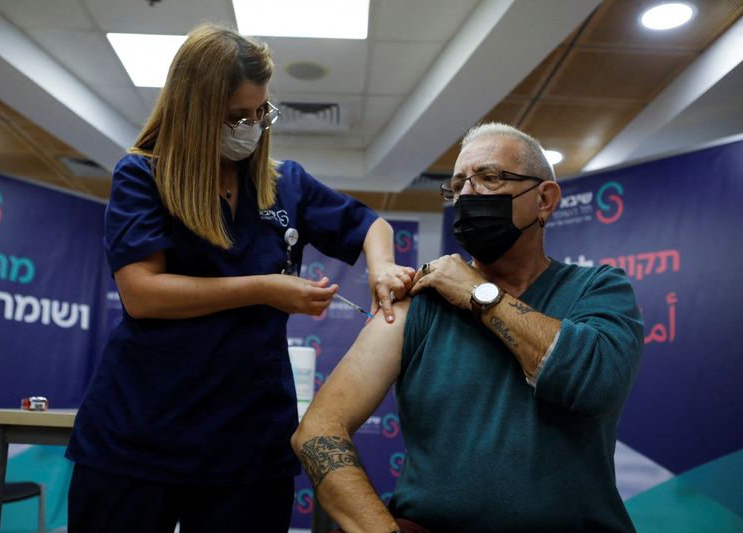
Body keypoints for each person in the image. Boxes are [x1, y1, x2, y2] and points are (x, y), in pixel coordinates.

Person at [65, 23, 415, 533]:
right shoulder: (142, 176)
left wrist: (381, 266)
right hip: (142, 432)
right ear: (194, 113)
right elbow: (142, 294)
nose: (251, 126)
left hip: (246, 441)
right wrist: (265, 288)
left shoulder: (283, 183)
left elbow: (370, 224)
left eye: (260, 113)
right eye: (235, 117)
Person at [292, 123, 644, 532]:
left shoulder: (597, 289)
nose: (468, 195)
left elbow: (594, 381)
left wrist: (479, 292)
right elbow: (318, 430)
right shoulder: (421, 304)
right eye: (458, 185)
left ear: (544, 200)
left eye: (490, 178)